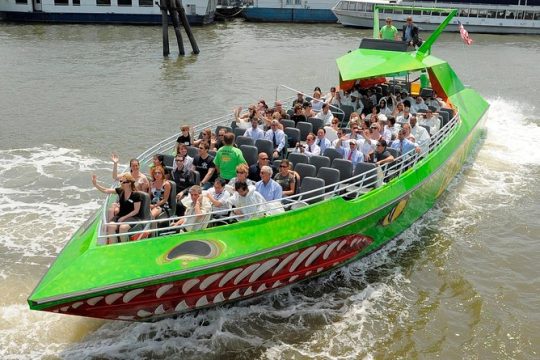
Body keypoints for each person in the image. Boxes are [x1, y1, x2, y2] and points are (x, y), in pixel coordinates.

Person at [92, 173, 142, 244]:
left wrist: (124, 218)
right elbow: (106, 190)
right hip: (121, 215)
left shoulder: (136, 195)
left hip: (132, 216)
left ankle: (124, 246)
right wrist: (96, 184)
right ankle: (114, 246)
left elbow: (136, 211)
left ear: (129, 183)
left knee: (122, 228)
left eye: (124, 182)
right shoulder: (120, 190)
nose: (121, 183)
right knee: (110, 226)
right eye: (121, 181)